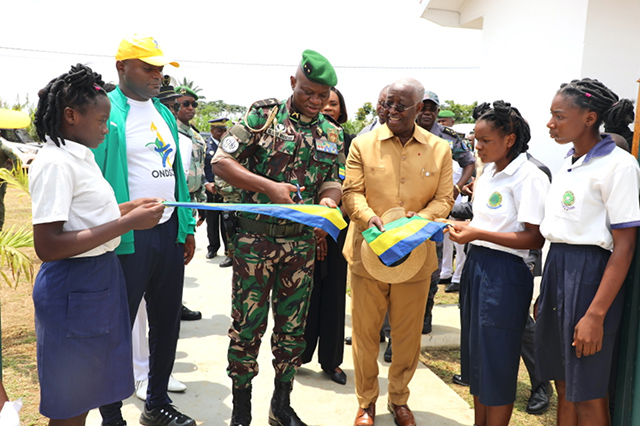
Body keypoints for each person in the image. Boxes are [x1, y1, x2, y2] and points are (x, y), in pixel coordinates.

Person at [212, 49, 343, 426]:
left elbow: (332, 179)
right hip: (255, 242)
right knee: (247, 327)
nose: (317, 101)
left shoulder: (331, 131)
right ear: (293, 83)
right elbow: (222, 161)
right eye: (309, 92)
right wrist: (268, 187)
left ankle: (281, 405)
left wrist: (328, 200)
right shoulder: (262, 116)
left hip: (299, 245)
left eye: (323, 95)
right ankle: (241, 408)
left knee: (292, 330)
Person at [29, 63, 164, 426]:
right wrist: (126, 223)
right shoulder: (55, 163)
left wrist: (127, 208)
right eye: (101, 121)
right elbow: (49, 244)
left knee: (87, 391)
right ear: (71, 115)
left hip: (96, 282)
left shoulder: (80, 158)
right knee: (71, 402)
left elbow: (84, 217)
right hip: (75, 286)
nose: (107, 129)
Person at [92, 34, 197, 426]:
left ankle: (156, 401)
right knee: (116, 326)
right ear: (121, 67)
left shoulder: (163, 113)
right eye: (148, 68)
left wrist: (184, 226)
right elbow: (97, 177)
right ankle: (111, 413)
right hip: (126, 235)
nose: (158, 75)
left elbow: (175, 175)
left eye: (160, 69)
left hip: (167, 232)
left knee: (166, 320)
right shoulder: (107, 112)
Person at [342, 77, 454, 426]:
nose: (390, 110)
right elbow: (351, 193)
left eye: (399, 105)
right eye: (387, 103)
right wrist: (368, 217)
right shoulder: (363, 144)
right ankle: (366, 403)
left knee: (406, 336)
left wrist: (415, 224)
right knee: (364, 333)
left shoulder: (440, 149)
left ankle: (400, 399)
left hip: (416, 257)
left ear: (420, 109)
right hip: (367, 254)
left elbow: (445, 199)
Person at [535, 78, 640, 426]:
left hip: (591, 277)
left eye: (559, 116)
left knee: (589, 391)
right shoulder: (568, 162)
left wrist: (595, 315)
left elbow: (624, 246)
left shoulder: (619, 165)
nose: (551, 123)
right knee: (564, 384)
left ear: (590, 117)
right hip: (558, 268)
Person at [447, 101, 549, 426]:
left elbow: (535, 238)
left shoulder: (529, 177)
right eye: (476, 140)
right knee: (476, 358)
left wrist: (478, 233)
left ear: (509, 138)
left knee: (498, 360)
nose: (478, 147)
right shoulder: (488, 172)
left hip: (505, 274)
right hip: (478, 266)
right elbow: (485, 222)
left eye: (485, 140)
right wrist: (468, 230)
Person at [301, 87, 351, 386]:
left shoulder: (347, 142)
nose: (328, 107)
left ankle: (331, 361)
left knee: (333, 294)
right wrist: (313, 226)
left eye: (334, 104)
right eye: (324, 102)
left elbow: (349, 186)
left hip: (335, 227)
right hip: (303, 229)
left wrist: (328, 224)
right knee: (306, 295)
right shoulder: (301, 135)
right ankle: (299, 356)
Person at [174, 85, 206, 321]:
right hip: (175, 202)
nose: (191, 108)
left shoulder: (194, 134)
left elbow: (200, 170)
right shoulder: (169, 131)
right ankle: (173, 303)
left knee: (183, 254)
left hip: (191, 201)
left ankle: (176, 300)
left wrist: (201, 201)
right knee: (176, 253)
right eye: (185, 103)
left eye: (194, 104)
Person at [201, 117, 232, 267]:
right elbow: (201, 167)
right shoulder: (205, 146)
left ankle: (228, 250)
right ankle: (213, 248)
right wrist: (207, 183)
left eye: (224, 130)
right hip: (212, 189)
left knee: (227, 221)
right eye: (219, 130)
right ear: (212, 131)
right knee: (212, 220)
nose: (222, 133)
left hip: (227, 189)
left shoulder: (229, 146)